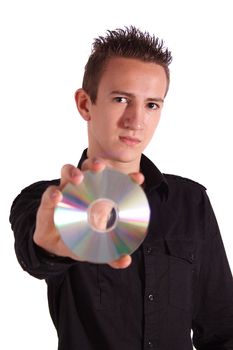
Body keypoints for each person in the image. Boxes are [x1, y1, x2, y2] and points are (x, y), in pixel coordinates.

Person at [10, 26, 233, 350]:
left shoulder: (190, 201)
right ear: (86, 104)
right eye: (120, 99)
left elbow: (223, 328)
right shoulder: (47, 200)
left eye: (152, 105)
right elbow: (37, 252)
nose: (136, 120)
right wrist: (53, 245)